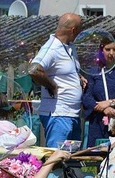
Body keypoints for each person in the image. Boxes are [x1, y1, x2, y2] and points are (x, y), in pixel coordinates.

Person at [28, 13, 84, 147]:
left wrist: (79, 78)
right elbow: (34, 70)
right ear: (73, 30)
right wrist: (51, 85)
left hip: (72, 114)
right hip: (58, 115)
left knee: (71, 160)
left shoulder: (69, 47)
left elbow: (63, 72)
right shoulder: (52, 47)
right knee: (56, 159)